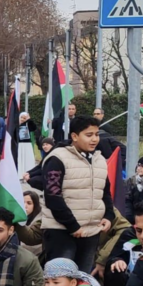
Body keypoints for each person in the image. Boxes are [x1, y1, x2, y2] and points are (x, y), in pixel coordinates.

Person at [41, 116, 114, 272]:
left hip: (91, 232)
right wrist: (73, 226)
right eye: (89, 135)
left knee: (82, 281)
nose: (94, 139)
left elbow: (105, 192)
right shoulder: (57, 158)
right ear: (74, 136)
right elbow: (52, 196)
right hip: (61, 232)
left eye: (96, 134)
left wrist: (108, 215)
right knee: (60, 280)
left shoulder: (99, 159)